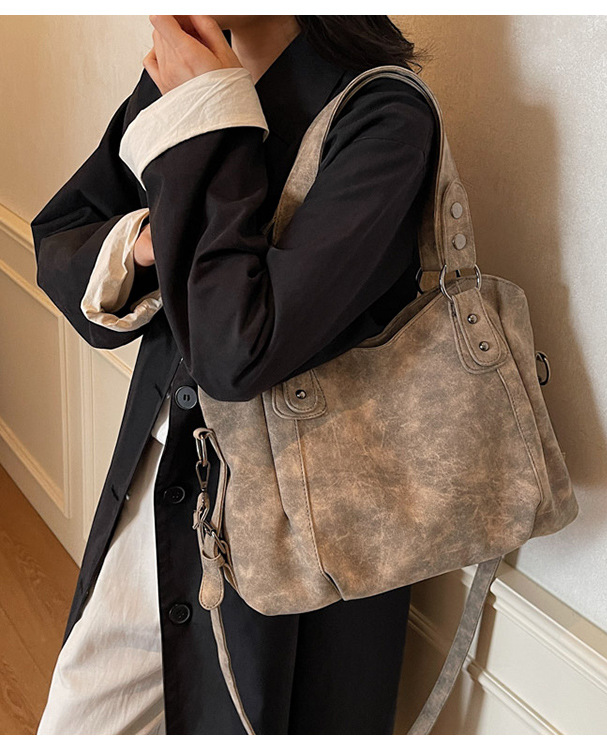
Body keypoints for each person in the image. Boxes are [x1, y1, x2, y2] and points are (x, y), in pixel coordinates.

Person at [32, 14, 436, 734]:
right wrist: (145, 239)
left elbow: (235, 350)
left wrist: (211, 113)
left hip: (295, 526)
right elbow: (62, 233)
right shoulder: (176, 76)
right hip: (163, 484)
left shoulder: (382, 115)